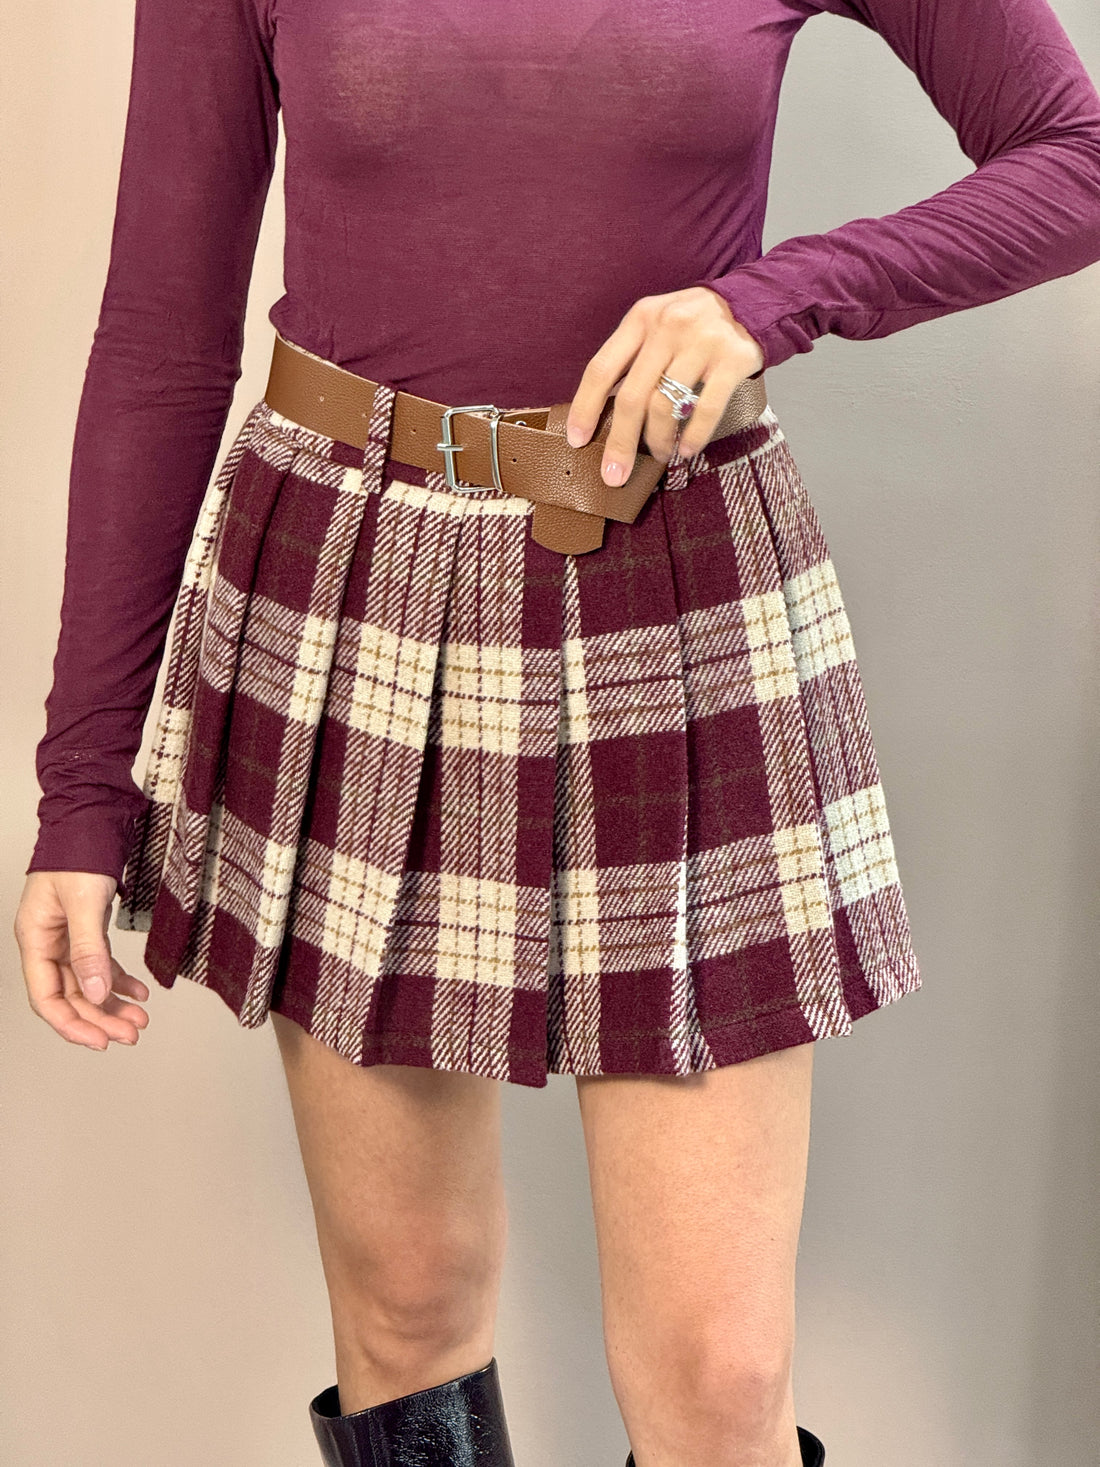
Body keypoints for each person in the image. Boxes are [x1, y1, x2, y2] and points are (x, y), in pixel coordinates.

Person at [12, 1, 1100, 1464]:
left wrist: (771, 299)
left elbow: (1078, 155)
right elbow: (161, 336)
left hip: (675, 583)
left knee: (716, 1379)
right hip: (351, 589)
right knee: (406, 1308)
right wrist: (84, 787)